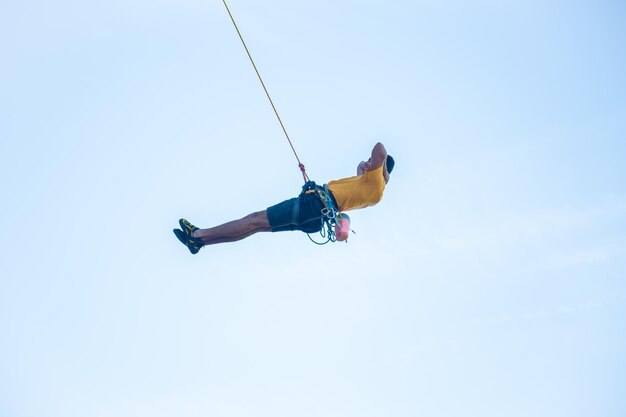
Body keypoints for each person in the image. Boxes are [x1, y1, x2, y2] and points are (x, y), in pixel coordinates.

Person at [173, 142, 395, 254]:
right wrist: (363, 167)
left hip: (315, 206)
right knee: (256, 227)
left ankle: (198, 234)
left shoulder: (377, 181)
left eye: (371, 163)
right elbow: (358, 180)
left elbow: (380, 149)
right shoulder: (373, 191)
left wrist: (380, 167)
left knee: (254, 219)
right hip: (316, 217)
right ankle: (200, 242)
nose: (368, 164)